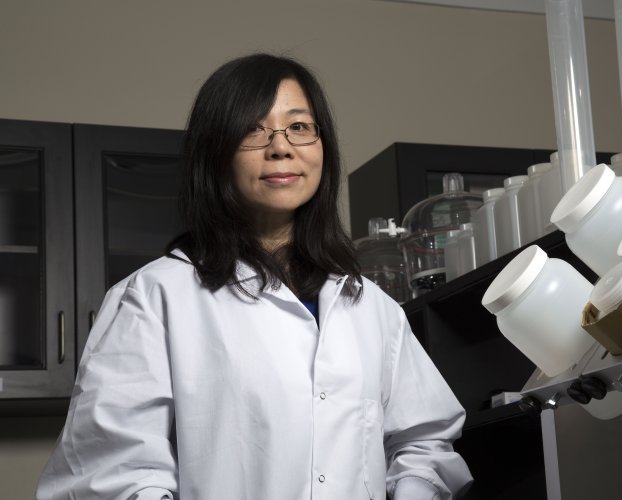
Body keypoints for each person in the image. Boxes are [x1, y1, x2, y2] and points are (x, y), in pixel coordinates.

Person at [36, 53, 473, 500]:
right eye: (253, 129)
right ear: (215, 153)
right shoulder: (155, 297)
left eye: (300, 127)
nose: (280, 146)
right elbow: (113, 476)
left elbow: (423, 442)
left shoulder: (370, 306)